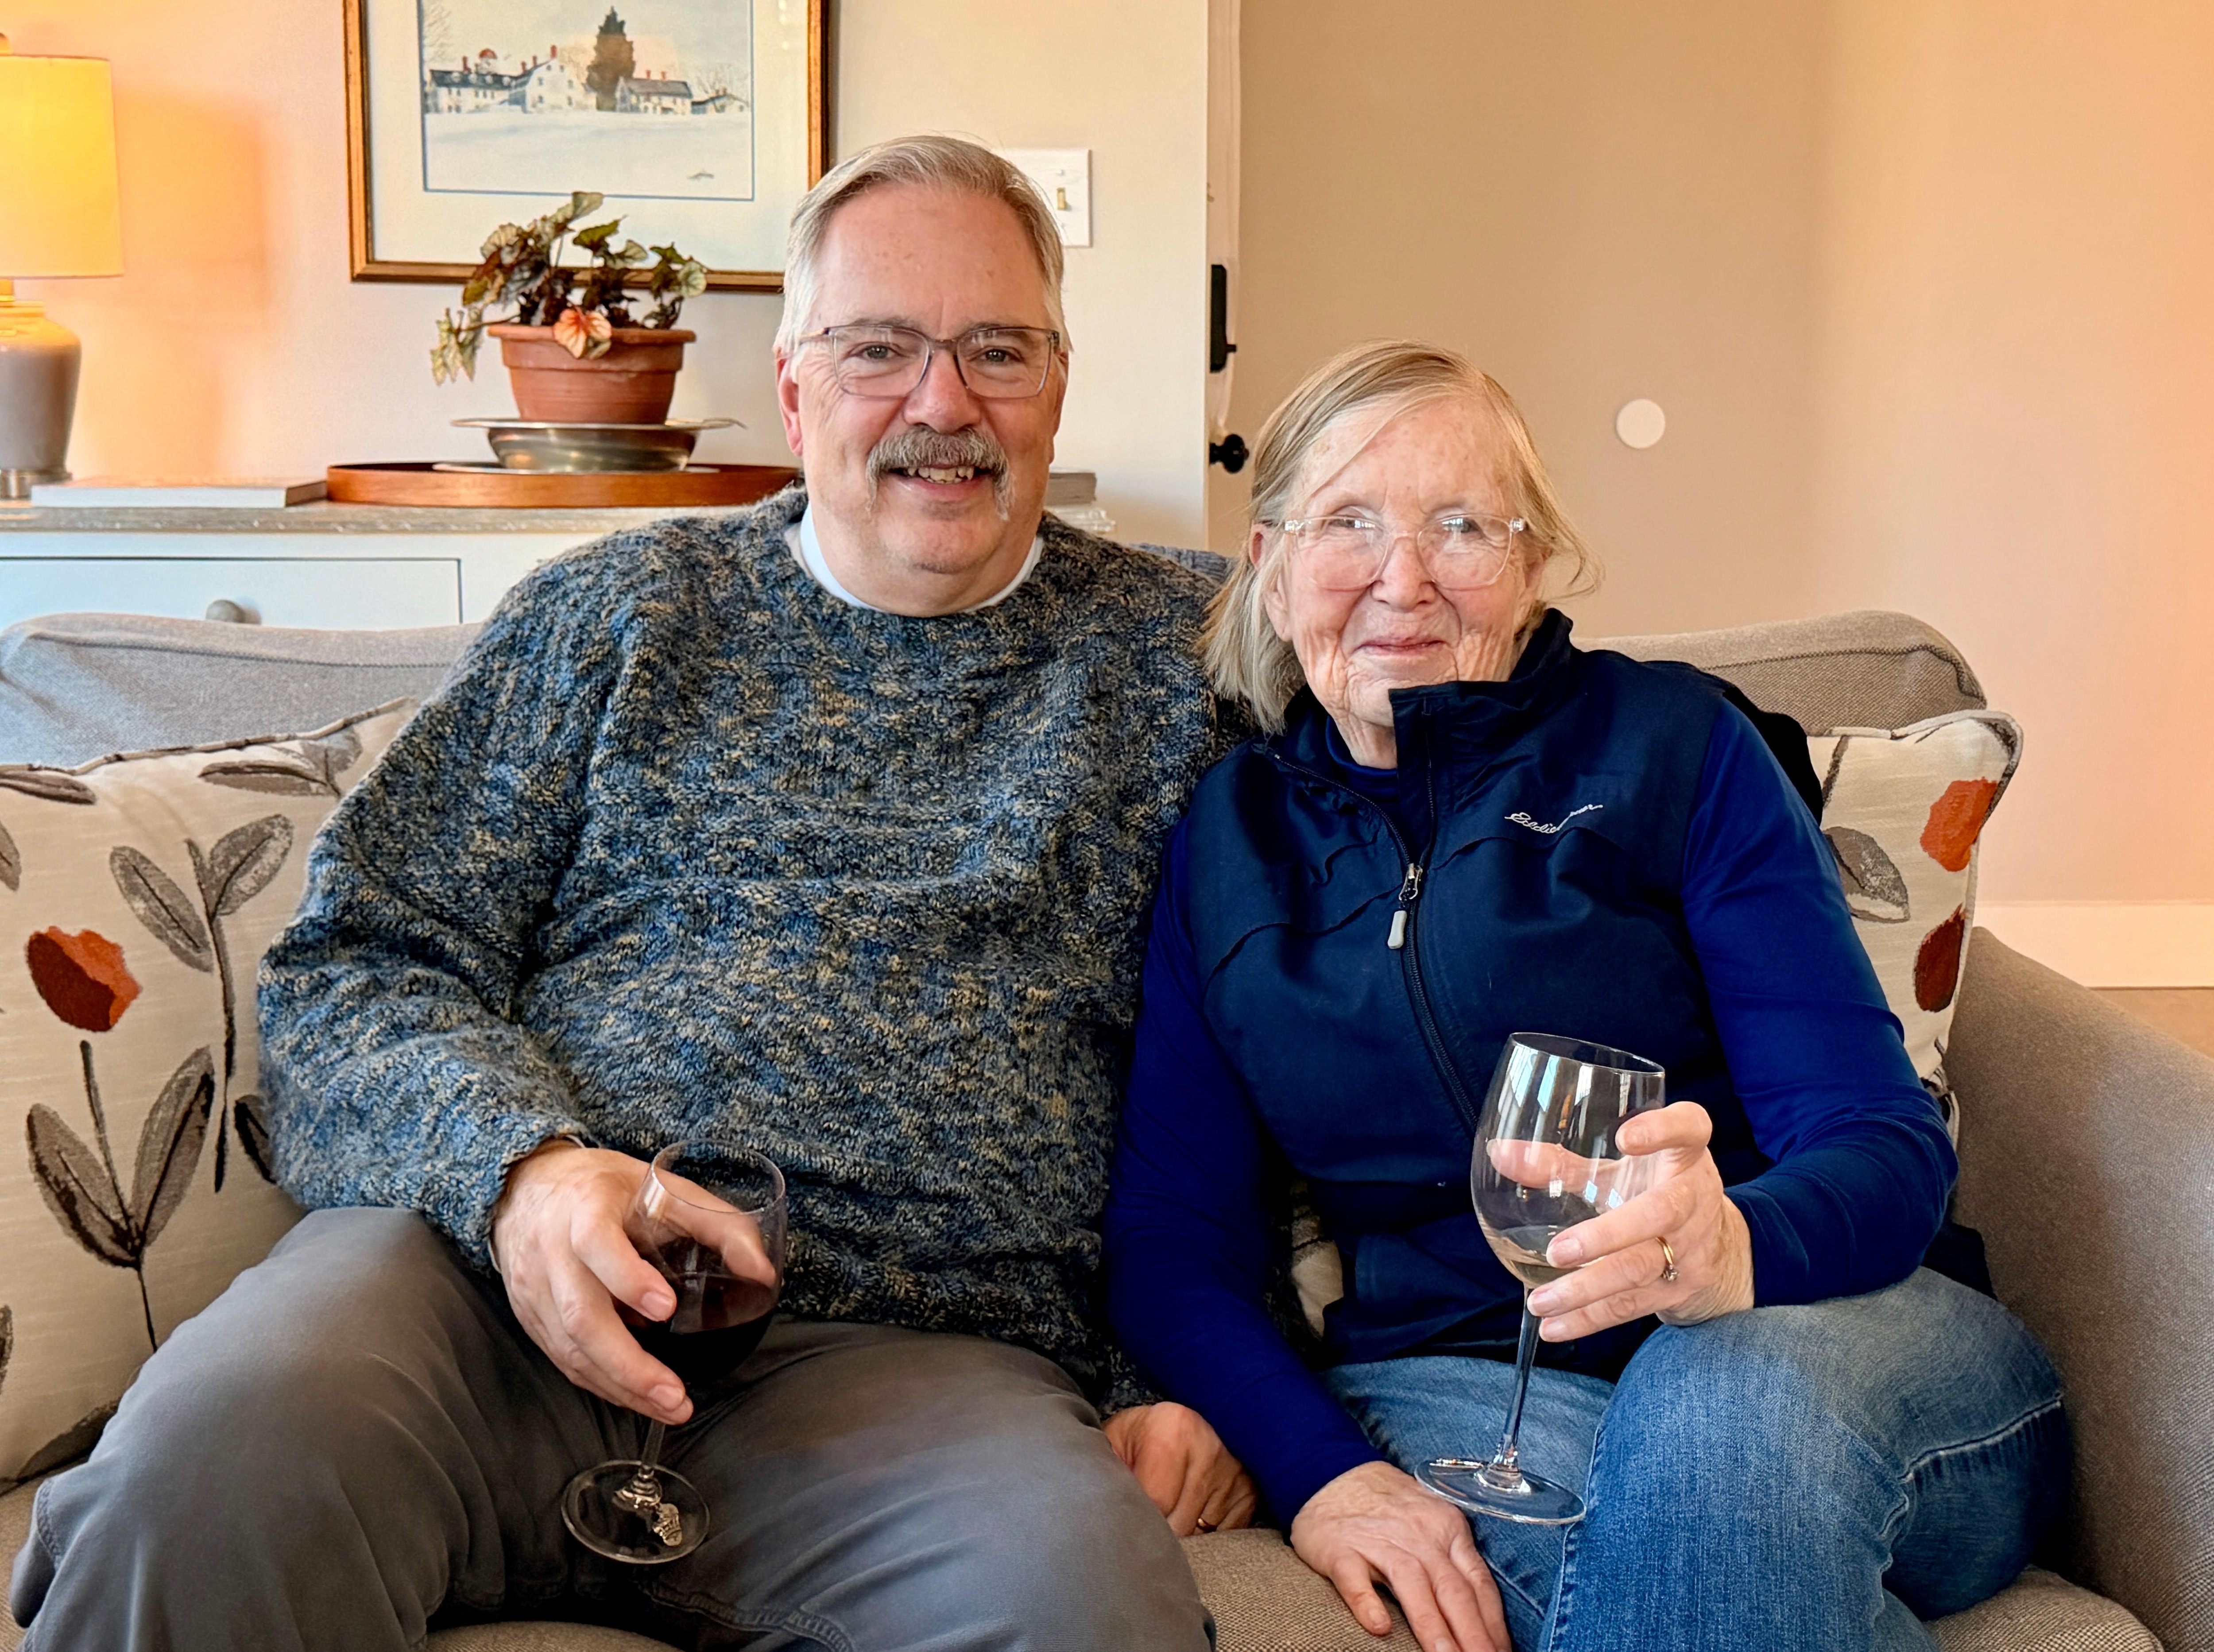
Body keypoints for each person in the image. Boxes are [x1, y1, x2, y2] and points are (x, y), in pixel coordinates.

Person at [9, 135, 1257, 1652]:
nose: (942, 403)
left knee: (1082, 1615)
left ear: (1058, 383)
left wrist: (1199, 1373)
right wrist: (522, 1173)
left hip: (915, 1372)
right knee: (200, 1485)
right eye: (878, 349)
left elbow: (1326, 1004)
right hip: (474, 1296)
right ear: (795, 388)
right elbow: (359, 963)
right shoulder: (618, 612)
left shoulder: (1189, 659)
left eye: (998, 349)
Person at [1103, 340, 2068, 1652]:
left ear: (1534, 561)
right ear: (1271, 567)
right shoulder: (1229, 843)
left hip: (1830, 1327)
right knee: (1683, 1571)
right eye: (1348, 523)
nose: (1403, 577)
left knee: (1719, 1417)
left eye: (1461, 525)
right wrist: (1321, 1471)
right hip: (1461, 1385)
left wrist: (1732, 1245)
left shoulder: (1677, 746)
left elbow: (1881, 1142)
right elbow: (1175, 1237)